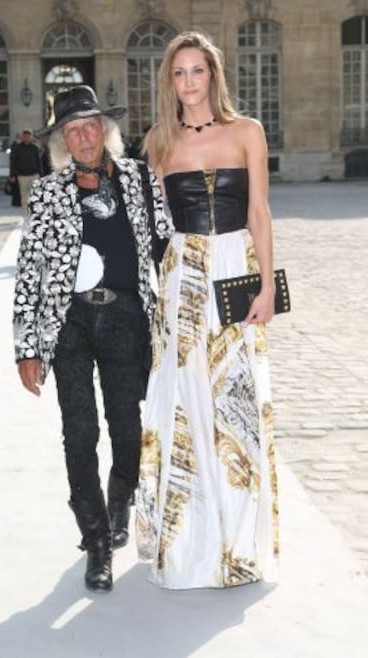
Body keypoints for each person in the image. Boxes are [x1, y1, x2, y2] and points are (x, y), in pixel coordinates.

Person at [12, 85, 172, 592]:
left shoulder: (139, 178)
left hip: (127, 315)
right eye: (71, 130)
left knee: (127, 427)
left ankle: (120, 495)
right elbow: (28, 271)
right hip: (71, 324)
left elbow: (169, 243)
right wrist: (27, 347)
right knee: (79, 433)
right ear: (61, 140)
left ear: (105, 130)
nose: (83, 137)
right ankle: (97, 543)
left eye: (90, 126)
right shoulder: (47, 191)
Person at [136, 31, 279, 589]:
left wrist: (266, 285)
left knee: (238, 400)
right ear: (169, 81)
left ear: (213, 76)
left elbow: (262, 213)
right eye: (179, 73)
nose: (189, 82)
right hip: (185, 275)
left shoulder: (248, 132)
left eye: (198, 71)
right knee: (188, 398)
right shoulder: (158, 142)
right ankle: (193, 545)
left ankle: (242, 546)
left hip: (237, 268)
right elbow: (153, 224)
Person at [9, 128, 41, 211]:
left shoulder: (35, 148)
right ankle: (25, 213)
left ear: (31, 137)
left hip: (34, 175)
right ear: (22, 137)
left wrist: (41, 174)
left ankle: (34, 212)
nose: (26, 138)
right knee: (24, 196)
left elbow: (38, 162)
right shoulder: (17, 148)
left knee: (35, 194)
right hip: (22, 175)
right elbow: (13, 162)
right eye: (25, 136)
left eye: (28, 136)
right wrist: (12, 175)